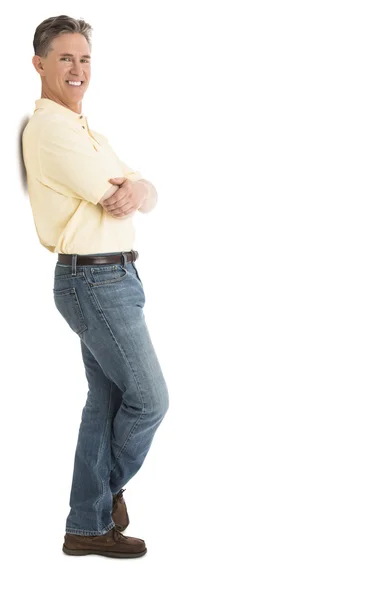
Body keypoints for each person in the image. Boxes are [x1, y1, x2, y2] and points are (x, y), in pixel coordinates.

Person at [22, 15, 169, 559]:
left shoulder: (88, 131)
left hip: (118, 274)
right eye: (65, 58)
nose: (78, 69)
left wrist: (139, 185)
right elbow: (114, 191)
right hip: (93, 277)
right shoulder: (49, 129)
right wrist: (133, 186)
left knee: (104, 404)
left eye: (84, 59)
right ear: (39, 64)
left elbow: (144, 190)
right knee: (151, 399)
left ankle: (86, 525)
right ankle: (100, 501)